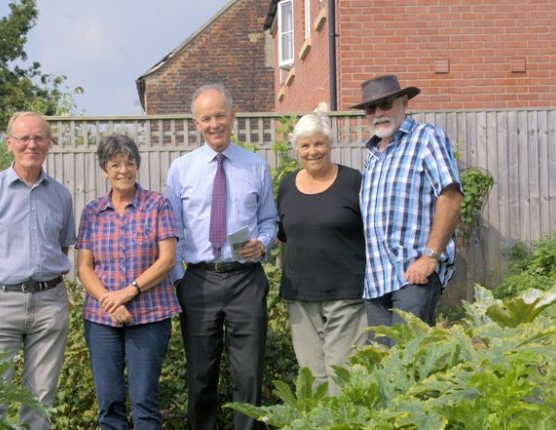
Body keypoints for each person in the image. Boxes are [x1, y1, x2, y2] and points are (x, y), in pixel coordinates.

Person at [0, 111, 75, 429]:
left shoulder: (61, 196)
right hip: (0, 303)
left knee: (40, 399)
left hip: (49, 304)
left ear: (48, 144)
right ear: (9, 144)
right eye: (24, 138)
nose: (31, 144)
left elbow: (61, 248)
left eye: (39, 138)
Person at [165, 83, 277, 430]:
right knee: (200, 377)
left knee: (249, 376)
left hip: (246, 279)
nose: (214, 124)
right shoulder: (181, 170)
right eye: (206, 118)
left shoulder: (255, 166)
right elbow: (172, 230)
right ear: (196, 123)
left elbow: (270, 220)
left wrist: (262, 242)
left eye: (220, 115)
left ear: (233, 115)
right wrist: (180, 280)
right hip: (198, 280)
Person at [76, 134, 180, 429]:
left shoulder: (157, 205)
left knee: (144, 400)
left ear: (138, 166)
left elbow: (167, 260)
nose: (124, 170)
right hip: (101, 318)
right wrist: (110, 302)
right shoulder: (92, 212)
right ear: (104, 170)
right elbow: (84, 267)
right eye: (115, 164)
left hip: (149, 315)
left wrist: (127, 292)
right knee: (108, 401)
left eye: (129, 163)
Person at [353, 75, 463, 344]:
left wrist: (429, 257)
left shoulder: (426, 137)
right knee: (382, 368)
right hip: (376, 281)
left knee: (407, 363)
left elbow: (450, 196)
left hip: (413, 275)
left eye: (385, 104)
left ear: (404, 102)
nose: (378, 113)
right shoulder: (373, 155)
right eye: (371, 108)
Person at [276, 113, 367, 395]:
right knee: (312, 381)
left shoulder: (353, 181)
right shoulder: (287, 186)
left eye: (318, 144)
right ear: (296, 150)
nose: (312, 151)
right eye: (304, 146)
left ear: (330, 145)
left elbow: (372, 232)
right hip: (301, 297)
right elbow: (283, 236)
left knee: (343, 378)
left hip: (346, 295)